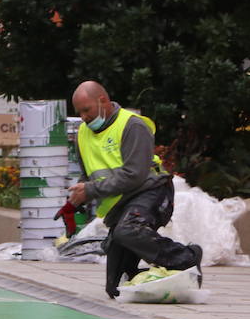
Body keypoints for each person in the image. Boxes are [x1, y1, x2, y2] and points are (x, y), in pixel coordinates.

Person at [68, 80, 202, 298]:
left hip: (151, 192)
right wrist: (77, 197)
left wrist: (91, 190)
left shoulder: (132, 125)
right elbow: (88, 174)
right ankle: (161, 277)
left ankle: (186, 257)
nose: (83, 117)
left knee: (128, 230)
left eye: (86, 110)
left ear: (102, 101)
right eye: (79, 112)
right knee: (115, 288)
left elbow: (134, 175)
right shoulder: (82, 133)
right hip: (121, 205)